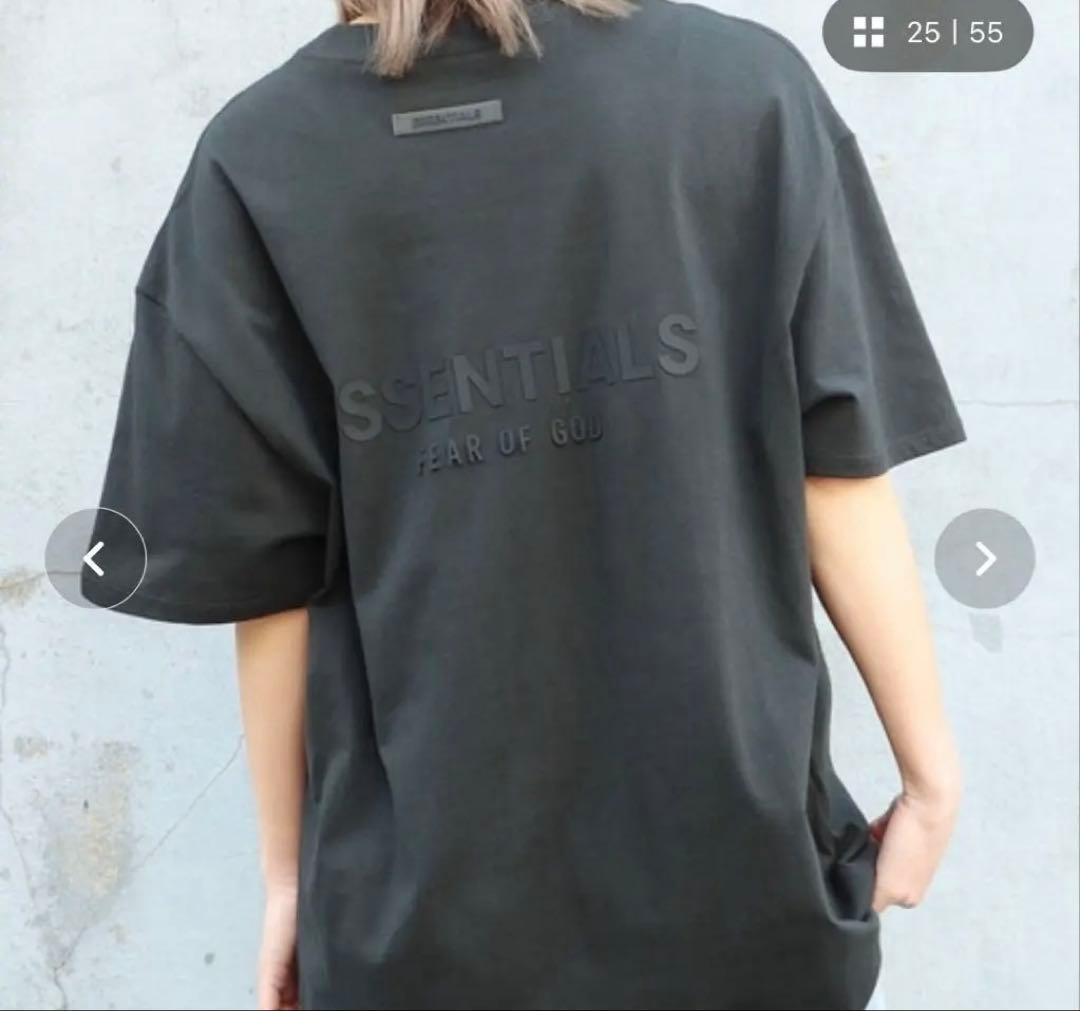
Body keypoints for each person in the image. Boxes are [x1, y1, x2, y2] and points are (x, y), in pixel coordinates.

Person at [84, 0, 965, 1007]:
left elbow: (273, 583)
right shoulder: (746, 90)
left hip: (422, 923)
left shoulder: (258, 158)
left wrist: (288, 882)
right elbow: (835, 471)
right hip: (746, 882)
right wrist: (929, 777)